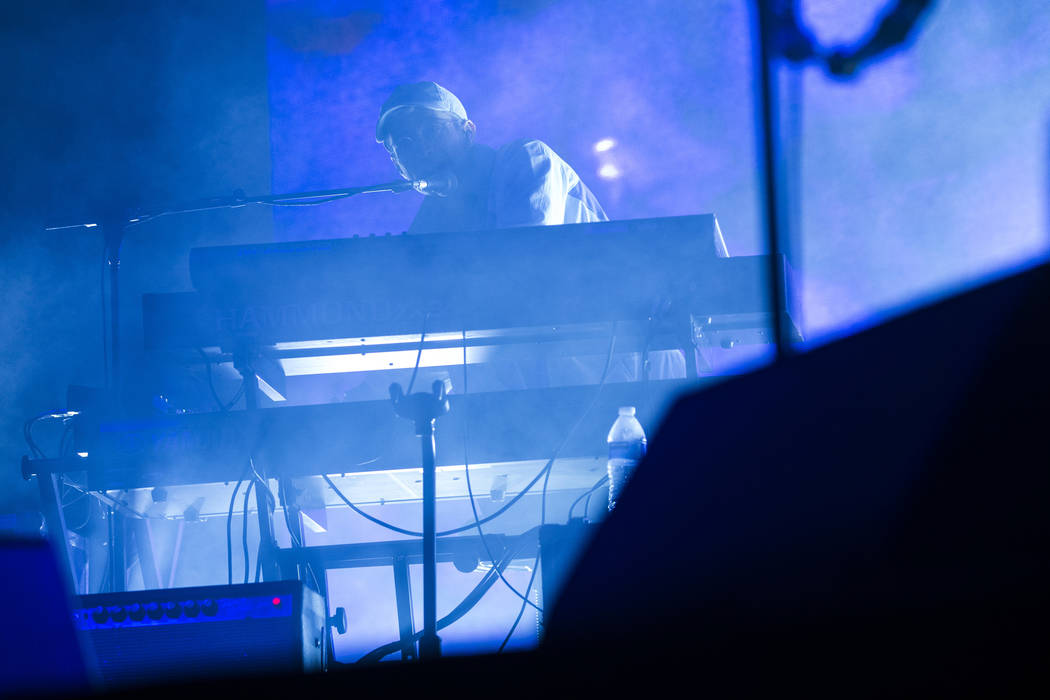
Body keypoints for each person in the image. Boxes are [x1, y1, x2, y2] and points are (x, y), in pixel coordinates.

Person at [375, 81, 608, 234]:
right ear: (398, 166)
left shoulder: (525, 159)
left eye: (430, 129)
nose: (422, 147)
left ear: (468, 131)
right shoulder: (432, 215)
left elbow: (525, 259)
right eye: (405, 143)